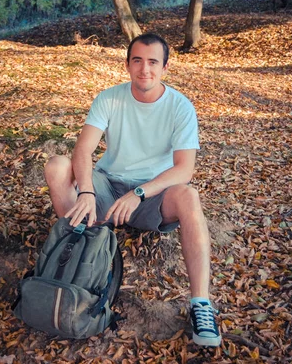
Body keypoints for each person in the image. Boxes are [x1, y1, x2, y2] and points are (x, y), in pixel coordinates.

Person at [44, 33, 221, 347]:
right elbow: (82, 151)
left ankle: (201, 305)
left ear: (165, 67)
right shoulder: (110, 98)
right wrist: (86, 190)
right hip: (107, 187)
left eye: (153, 62)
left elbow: (184, 169)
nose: (145, 69)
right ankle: (84, 250)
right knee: (57, 166)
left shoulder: (180, 107)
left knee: (188, 195)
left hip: (153, 196)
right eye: (137, 60)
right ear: (127, 65)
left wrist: (139, 193)